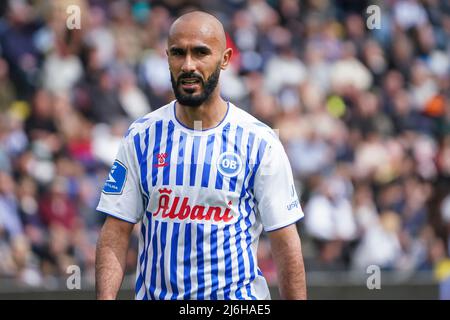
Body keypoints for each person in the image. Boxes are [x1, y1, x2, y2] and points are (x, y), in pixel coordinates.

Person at [95, 11, 307, 300]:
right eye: (178, 53)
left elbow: (285, 242)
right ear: (166, 57)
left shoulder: (259, 142)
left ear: (225, 58)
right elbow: (116, 231)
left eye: (201, 53)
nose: (188, 65)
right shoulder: (141, 137)